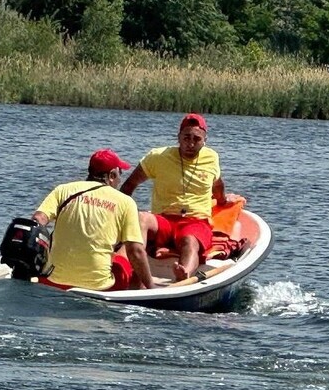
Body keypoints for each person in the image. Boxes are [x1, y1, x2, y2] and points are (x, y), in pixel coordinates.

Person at [120, 113, 234, 281]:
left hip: (195, 221)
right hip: (164, 219)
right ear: (178, 137)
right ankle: (127, 268)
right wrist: (120, 218)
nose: (191, 144)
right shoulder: (158, 157)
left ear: (205, 140)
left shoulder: (211, 157)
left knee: (190, 241)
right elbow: (129, 186)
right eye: (186, 138)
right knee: (142, 218)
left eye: (197, 139)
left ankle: (184, 273)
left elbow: (217, 184)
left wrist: (223, 200)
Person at [31, 149, 156, 291]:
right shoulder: (125, 202)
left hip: (53, 281)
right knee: (125, 251)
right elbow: (135, 252)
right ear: (112, 175)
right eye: (120, 173)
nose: (120, 179)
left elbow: (38, 219)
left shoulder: (63, 190)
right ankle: (139, 289)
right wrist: (152, 287)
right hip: (100, 287)